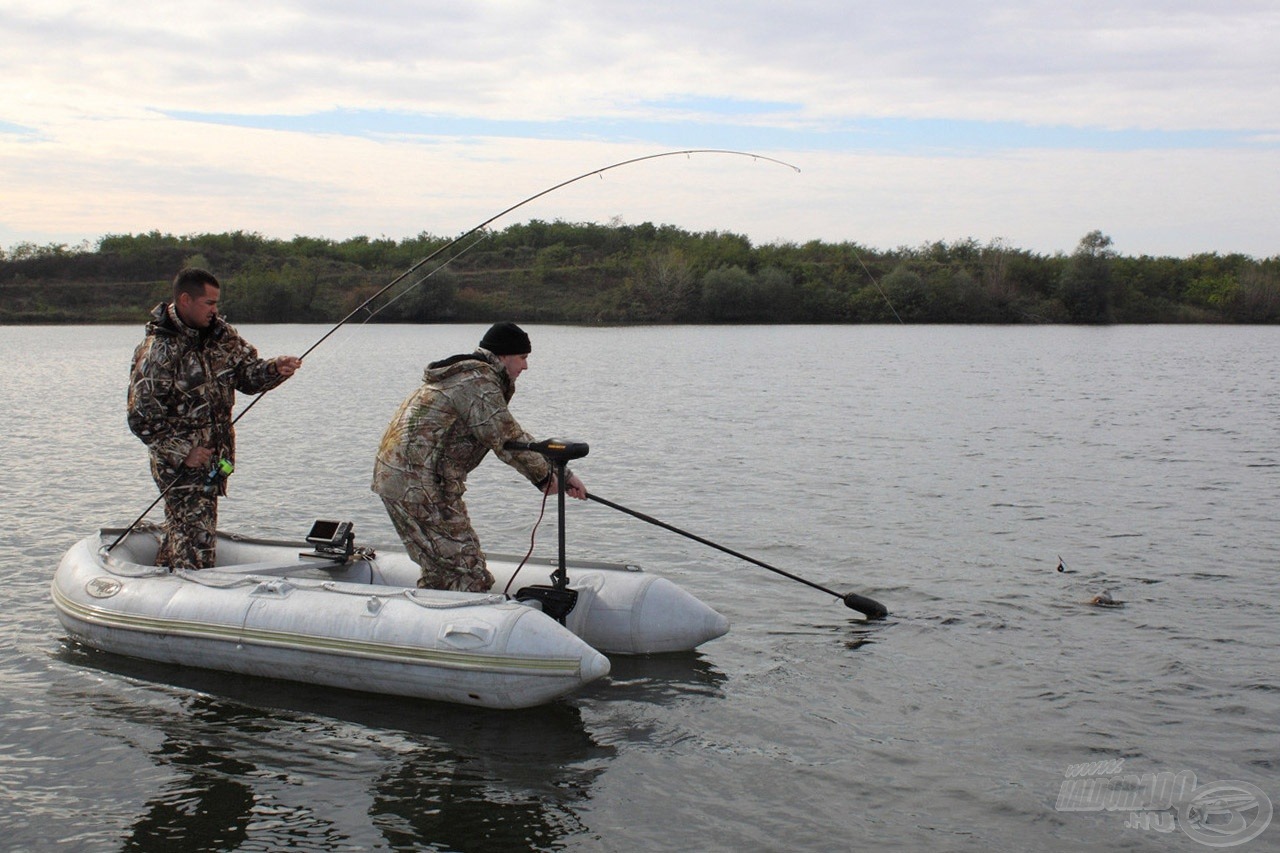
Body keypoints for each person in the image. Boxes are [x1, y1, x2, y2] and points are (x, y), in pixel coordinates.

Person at [372, 322, 586, 592]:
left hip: (410, 480)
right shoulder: (477, 382)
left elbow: (509, 433)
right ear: (504, 356)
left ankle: (430, 614)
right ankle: (458, 625)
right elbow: (506, 438)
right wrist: (545, 477)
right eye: (523, 358)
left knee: (444, 568)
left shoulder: (470, 377)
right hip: (418, 485)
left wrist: (563, 475)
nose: (525, 367)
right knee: (467, 571)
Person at [127, 267, 302, 569]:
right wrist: (185, 452)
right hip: (180, 467)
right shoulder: (159, 350)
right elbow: (141, 417)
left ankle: (165, 577)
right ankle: (187, 599)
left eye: (216, 303)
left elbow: (247, 376)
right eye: (209, 303)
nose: (215, 310)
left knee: (185, 532)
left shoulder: (221, 335)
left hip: (214, 461)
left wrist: (275, 369)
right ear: (185, 300)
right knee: (196, 541)